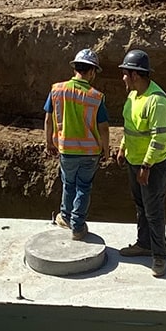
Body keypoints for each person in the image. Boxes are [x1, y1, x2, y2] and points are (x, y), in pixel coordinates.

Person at [113, 50, 166, 277]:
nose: (123, 78)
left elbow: (158, 138)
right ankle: (144, 243)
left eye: (125, 74)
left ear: (135, 75)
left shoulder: (157, 101)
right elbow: (130, 126)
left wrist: (146, 167)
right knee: (140, 204)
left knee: (154, 210)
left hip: (152, 165)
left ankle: (159, 256)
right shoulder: (133, 95)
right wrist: (122, 148)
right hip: (134, 160)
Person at [44, 48, 111, 240]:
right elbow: (104, 127)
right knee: (83, 187)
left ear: (75, 68)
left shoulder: (57, 90)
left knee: (68, 183)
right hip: (90, 152)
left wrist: (48, 142)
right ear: (91, 71)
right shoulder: (95, 96)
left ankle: (65, 216)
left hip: (66, 149)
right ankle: (78, 226)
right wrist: (106, 150)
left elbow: (48, 119)